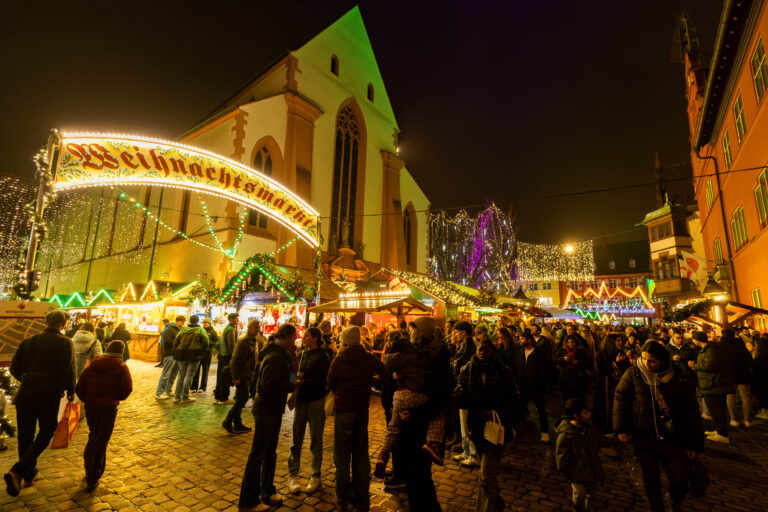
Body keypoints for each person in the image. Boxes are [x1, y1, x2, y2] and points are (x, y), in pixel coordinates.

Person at [614, 340, 704, 512]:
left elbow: (690, 408)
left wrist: (694, 443)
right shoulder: (634, 373)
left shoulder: (677, 375)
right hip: (644, 434)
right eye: (644, 359)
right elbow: (621, 398)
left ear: (662, 360)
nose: (647, 364)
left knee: (680, 481)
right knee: (651, 478)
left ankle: (674, 498)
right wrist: (621, 428)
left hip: (673, 436)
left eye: (652, 360)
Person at [5, 310, 76, 497]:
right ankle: (18, 470)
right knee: (47, 431)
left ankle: (28, 474)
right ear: (63, 323)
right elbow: (69, 370)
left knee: (25, 436)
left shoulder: (29, 341)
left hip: (25, 395)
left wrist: (27, 379)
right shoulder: (65, 342)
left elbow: (14, 368)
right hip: (48, 396)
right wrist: (70, 390)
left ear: (46, 322)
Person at [238, 324, 298, 512]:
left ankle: (267, 490)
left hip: (273, 408)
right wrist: (291, 385)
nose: (294, 342)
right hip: (266, 409)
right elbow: (267, 385)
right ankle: (248, 502)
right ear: (287, 337)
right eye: (293, 338)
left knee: (270, 451)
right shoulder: (275, 357)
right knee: (257, 454)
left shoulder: (277, 354)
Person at [328, 326, 385, 512]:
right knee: (360, 452)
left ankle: (342, 497)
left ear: (345, 340)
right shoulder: (368, 357)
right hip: (361, 409)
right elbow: (383, 373)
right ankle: (361, 496)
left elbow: (330, 382)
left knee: (342, 454)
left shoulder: (339, 359)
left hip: (344, 409)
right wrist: (372, 381)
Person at [456, 339, 516, 512]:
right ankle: (496, 502)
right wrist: (459, 396)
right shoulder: (467, 370)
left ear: (493, 352)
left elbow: (513, 402)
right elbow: (464, 403)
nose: (482, 353)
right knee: (487, 474)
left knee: (486, 477)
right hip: (476, 427)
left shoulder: (503, 372)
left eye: (486, 350)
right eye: (480, 350)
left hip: (496, 427)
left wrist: (494, 412)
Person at [74, 340, 133, 491]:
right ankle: (93, 475)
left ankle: (90, 469)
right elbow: (126, 389)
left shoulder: (92, 365)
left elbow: (80, 387)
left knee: (94, 436)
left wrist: (88, 399)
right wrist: (115, 398)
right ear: (121, 352)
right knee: (100, 440)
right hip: (108, 408)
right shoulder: (121, 367)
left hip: (92, 407)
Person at [287, 327, 331, 494]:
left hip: (316, 400)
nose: (304, 338)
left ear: (315, 338)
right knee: (296, 437)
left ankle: (316, 474)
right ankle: (293, 474)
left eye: (307, 336)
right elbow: (297, 371)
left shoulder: (323, 356)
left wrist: (304, 380)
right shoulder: (302, 353)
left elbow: (324, 379)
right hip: (301, 399)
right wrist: (297, 379)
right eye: (304, 335)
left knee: (316, 439)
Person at [555, 398, 610, 512]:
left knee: (591, 495)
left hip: (591, 470)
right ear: (576, 416)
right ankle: (577, 506)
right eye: (585, 412)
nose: (589, 414)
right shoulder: (566, 433)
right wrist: (565, 470)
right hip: (576, 472)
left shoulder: (589, 429)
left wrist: (615, 439)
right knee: (580, 493)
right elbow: (561, 453)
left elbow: (602, 439)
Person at [689, 331, 733, 443]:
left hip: (712, 384)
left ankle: (723, 434)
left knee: (717, 410)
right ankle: (719, 430)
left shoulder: (710, 350)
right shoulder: (708, 349)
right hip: (709, 384)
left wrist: (694, 365)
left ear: (698, 339)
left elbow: (710, 366)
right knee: (715, 410)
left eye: (694, 339)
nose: (693, 341)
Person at [223, 319, 261, 434]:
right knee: (242, 398)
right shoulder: (243, 342)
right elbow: (234, 360)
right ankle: (227, 421)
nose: (258, 329)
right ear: (249, 328)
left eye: (258, 327)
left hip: (248, 374)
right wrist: (235, 377)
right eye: (256, 327)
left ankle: (238, 424)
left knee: (241, 398)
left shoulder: (254, 341)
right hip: (242, 374)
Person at [451, 321, 480, 466]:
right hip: (461, 387)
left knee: (467, 423)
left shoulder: (469, 347)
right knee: (463, 422)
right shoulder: (464, 346)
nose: (455, 334)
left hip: (466, 390)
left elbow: (462, 367)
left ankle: (473, 455)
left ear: (463, 332)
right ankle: (466, 451)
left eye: (457, 331)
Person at [515, 330, 550, 442]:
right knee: (518, 408)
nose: (520, 341)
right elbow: (517, 367)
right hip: (523, 387)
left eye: (522, 339)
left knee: (541, 410)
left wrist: (539, 383)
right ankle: (514, 429)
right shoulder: (520, 352)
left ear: (529, 340)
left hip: (536, 388)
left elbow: (544, 370)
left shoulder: (537, 353)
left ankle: (545, 433)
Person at [720, 328, 754, 427]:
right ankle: (747, 420)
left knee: (730, 397)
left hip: (728, 375)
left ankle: (734, 420)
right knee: (746, 397)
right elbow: (748, 358)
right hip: (743, 373)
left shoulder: (721, 345)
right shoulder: (739, 344)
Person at [171, 315, 209, 403]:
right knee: (189, 376)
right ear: (197, 321)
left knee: (181, 376)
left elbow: (176, 341)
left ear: (190, 321)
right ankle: (185, 396)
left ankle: (177, 396)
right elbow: (206, 342)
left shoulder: (183, 329)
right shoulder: (201, 330)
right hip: (194, 355)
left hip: (182, 354)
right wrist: (201, 352)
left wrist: (177, 350)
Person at [555, 334, 591, 406]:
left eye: (572, 342)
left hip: (578, 378)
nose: (570, 344)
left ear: (576, 342)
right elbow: (556, 360)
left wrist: (578, 362)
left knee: (579, 398)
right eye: (568, 342)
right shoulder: (562, 349)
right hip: (566, 378)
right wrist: (563, 359)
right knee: (567, 397)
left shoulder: (581, 350)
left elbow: (588, 363)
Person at [155, 316, 184, 400]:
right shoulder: (169, 330)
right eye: (182, 322)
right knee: (166, 374)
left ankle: (167, 390)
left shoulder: (180, 330)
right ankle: (159, 393)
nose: (183, 323)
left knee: (173, 374)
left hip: (177, 355)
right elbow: (167, 341)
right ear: (177, 321)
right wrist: (178, 343)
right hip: (170, 354)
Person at [215, 313, 238, 405]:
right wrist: (234, 356)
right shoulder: (231, 329)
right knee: (225, 377)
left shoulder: (227, 328)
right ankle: (224, 398)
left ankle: (218, 396)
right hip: (226, 356)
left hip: (222, 355)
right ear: (231, 319)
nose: (237, 321)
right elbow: (231, 345)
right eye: (236, 319)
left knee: (221, 376)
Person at [191, 317, 218, 394]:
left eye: (206, 322)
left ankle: (203, 387)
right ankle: (194, 387)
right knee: (196, 370)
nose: (205, 324)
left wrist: (209, 344)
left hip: (207, 353)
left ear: (209, 323)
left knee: (205, 371)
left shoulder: (213, 332)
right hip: (199, 353)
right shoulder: (200, 330)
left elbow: (216, 341)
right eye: (203, 322)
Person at [754, 334, 768, 420]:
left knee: (763, 394)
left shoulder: (761, 353)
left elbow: (757, 365)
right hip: (764, 376)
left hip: (762, 377)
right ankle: (764, 411)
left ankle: (765, 412)